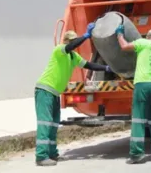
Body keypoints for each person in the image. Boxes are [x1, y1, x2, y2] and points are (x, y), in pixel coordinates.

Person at [35, 23, 113, 166]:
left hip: (54, 93)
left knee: (53, 124)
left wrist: (106, 67)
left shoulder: (73, 56)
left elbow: (89, 65)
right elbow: (69, 47)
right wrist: (85, 36)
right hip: (45, 90)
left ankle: (52, 154)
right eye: (72, 41)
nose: (74, 44)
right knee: (45, 123)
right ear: (67, 41)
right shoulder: (59, 50)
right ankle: (41, 156)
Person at [116, 26, 151, 164]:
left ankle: (137, 154)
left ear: (147, 36)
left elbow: (124, 46)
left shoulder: (143, 43)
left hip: (143, 85)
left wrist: (120, 34)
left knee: (139, 119)